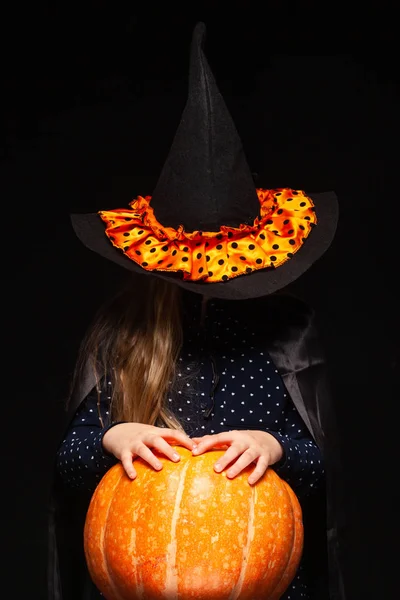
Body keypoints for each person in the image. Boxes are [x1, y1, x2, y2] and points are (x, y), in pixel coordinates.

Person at [48, 22, 345, 600]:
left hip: (265, 584)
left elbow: (320, 471)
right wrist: (114, 437)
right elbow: (69, 465)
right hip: (143, 580)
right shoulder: (122, 334)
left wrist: (276, 446)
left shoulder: (287, 332)